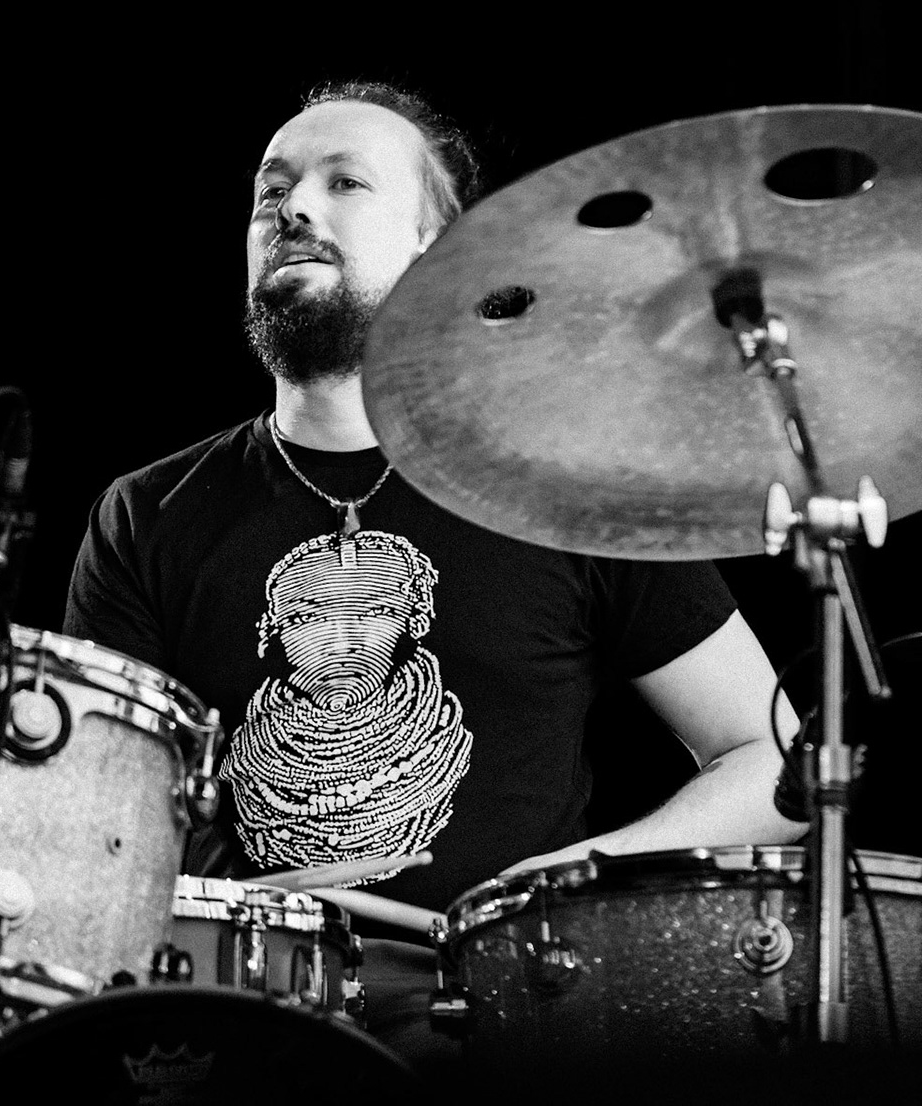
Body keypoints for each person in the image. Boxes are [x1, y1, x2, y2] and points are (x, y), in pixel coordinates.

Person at [63, 79, 807, 1075]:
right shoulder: (146, 516)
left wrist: (577, 880)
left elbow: (776, 757)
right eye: (269, 191)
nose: (293, 207)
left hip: (509, 1027)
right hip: (242, 1038)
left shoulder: (557, 484)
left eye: (345, 183)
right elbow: (91, 827)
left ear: (437, 247)